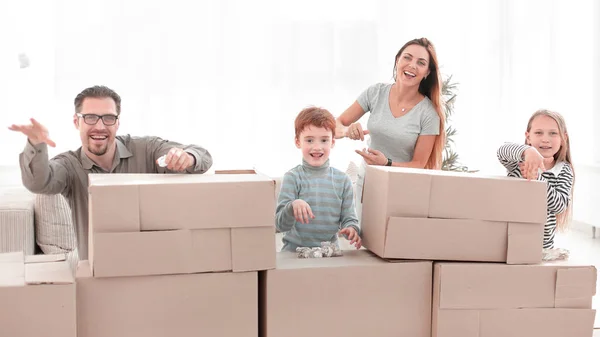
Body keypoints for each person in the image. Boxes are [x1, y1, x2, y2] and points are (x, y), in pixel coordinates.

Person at [8, 85, 213, 259]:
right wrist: (36, 144)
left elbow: (202, 155)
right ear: (76, 122)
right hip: (97, 273)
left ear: (117, 122)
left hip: (153, 264)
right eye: (89, 117)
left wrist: (188, 157)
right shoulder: (68, 166)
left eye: (108, 118)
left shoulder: (146, 149)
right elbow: (38, 183)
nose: (99, 126)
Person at [334, 37, 446, 219]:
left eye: (421, 62)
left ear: (427, 72)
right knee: (365, 241)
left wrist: (387, 163)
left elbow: (419, 164)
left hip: (403, 189)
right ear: (397, 60)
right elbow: (336, 125)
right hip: (368, 182)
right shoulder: (375, 92)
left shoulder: (429, 114)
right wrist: (348, 131)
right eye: (407, 58)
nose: (412, 65)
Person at [275, 106, 361, 252]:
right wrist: (292, 206)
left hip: (329, 255)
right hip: (293, 254)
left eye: (324, 140)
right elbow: (279, 224)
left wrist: (351, 230)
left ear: (332, 142)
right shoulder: (292, 178)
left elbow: (349, 219)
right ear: (298, 142)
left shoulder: (343, 180)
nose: (317, 147)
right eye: (309, 140)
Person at [497, 109, 574, 250]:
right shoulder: (519, 161)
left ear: (563, 138)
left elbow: (559, 206)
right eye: (538, 133)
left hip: (541, 247)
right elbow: (502, 151)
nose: (545, 139)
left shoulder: (563, 170)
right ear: (528, 137)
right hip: (508, 240)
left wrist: (537, 177)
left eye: (553, 133)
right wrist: (527, 151)